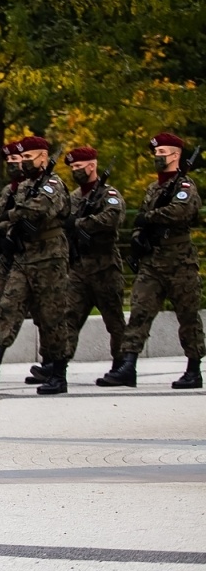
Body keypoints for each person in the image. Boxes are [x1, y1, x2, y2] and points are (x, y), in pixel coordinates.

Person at [0, 135, 73, 395]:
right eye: (24, 157)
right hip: (24, 257)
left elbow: (37, 209)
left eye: (29, 157)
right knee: (7, 308)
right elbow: (19, 214)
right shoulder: (25, 186)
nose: (25, 162)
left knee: (52, 316)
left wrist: (10, 216)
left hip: (49, 258)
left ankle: (58, 373)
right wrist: (2, 230)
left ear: (43, 157)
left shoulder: (52, 184)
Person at [100, 132, 202, 389]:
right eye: (156, 153)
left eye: (162, 153)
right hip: (152, 262)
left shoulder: (185, 186)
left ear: (176, 155)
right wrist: (138, 239)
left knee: (187, 316)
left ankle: (193, 369)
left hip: (179, 261)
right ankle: (128, 366)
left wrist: (151, 218)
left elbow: (181, 211)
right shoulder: (153, 188)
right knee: (139, 312)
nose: (158, 156)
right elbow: (142, 219)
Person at [56, 146, 126, 385]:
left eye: (79, 166)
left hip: (105, 266)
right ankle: (58, 366)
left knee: (114, 320)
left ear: (92, 165)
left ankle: (122, 366)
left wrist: (81, 224)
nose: (75, 170)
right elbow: (63, 222)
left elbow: (113, 217)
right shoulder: (74, 197)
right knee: (68, 317)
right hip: (79, 267)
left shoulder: (108, 194)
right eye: (72, 167)